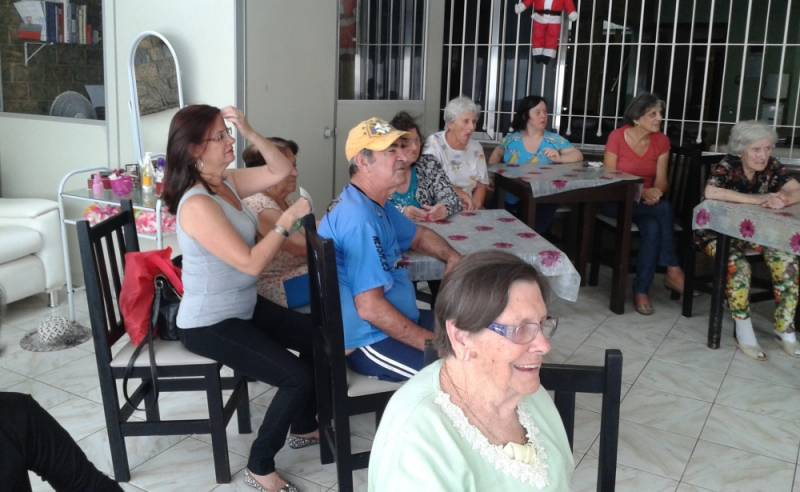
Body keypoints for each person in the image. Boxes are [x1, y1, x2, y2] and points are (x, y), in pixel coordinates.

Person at [163, 104, 315, 492]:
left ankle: (302, 425)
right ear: (196, 150)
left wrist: (249, 127)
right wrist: (285, 222)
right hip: (210, 322)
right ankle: (260, 466)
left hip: (242, 305)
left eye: (229, 134)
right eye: (221, 136)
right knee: (294, 377)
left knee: (318, 337)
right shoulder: (198, 204)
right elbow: (250, 264)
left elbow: (279, 170)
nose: (230, 141)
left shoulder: (226, 182)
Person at [368, 250, 572, 491]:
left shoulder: (527, 394)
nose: (544, 345)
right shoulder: (416, 442)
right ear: (462, 338)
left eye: (541, 323)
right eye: (519, 329)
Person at [318, 117, 461, 382]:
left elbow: (418, 235)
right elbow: (371, 309)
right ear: (363, 161)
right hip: (371, 339)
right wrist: (435, 345)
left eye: (402, 149)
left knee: (475, 332)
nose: (403, 158)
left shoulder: (374, 203)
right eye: (390, 152)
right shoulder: (359, 218)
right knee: (457, 374)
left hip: (397, 320)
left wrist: (452, 257)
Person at [701, 120, 800, 361]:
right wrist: (760, 199)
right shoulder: (728, 165)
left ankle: (785, 328)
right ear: (741, 148)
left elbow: (797, 189)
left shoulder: (773, 167)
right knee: (738, 267)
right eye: (757, 149)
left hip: (759, 235)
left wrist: (783, 200)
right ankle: (743, 329)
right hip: (718, 234)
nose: (763, 155)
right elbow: (711, 192)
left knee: (788, 260)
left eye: (767, 148)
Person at [604, 92, 685, 315]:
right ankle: (672, 267)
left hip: (648, 204)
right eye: (653, 114)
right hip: (617, 199)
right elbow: (610, 176)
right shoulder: (617, 137)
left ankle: (642, 290)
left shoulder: (661, 141)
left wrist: (656, 192)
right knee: (663, 212)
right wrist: (642, 193)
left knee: (652, 226)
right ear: (637, 118)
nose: (659, 118)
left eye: (660, 114)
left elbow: (662, 179)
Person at [489, 95, 584, 232]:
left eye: (545, 112)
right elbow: (497, 153)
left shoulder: (553, 139)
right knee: (502, 227)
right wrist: (491, 176)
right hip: (510, 195)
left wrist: (559, 159)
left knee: (532, 231)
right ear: (525, 116)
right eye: (538, 112)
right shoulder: (512, 138)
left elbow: (577, 155)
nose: (543, 116)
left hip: (541, 197)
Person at [242, 137, 309, 308]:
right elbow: (300, 246)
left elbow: (312, 226)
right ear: (265, 172)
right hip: (275, 286)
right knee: (344, 272)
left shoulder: (285, 201)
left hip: (297, 275)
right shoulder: (258, 205)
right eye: (288, 167)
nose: (295, 173)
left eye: (295, 165)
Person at [388, 111, 463, 221]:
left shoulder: (429, 163)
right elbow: (372, 206)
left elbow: (452, 198)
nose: (414, 147)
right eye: (407, 142)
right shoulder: (382, 167)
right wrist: (402, 211)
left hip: (426, 232)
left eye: (417, 140)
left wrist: (444, 208)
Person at [422, 96, 490, 210]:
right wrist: (460, 194)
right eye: (466, 121)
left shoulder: (476, 148)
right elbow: (429, 181)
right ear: (450, 124)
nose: (472, 127)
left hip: (468, 208)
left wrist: (474, 206)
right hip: (438, 209)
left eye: (474, 122)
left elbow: (482, 185)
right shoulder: (434, 144)